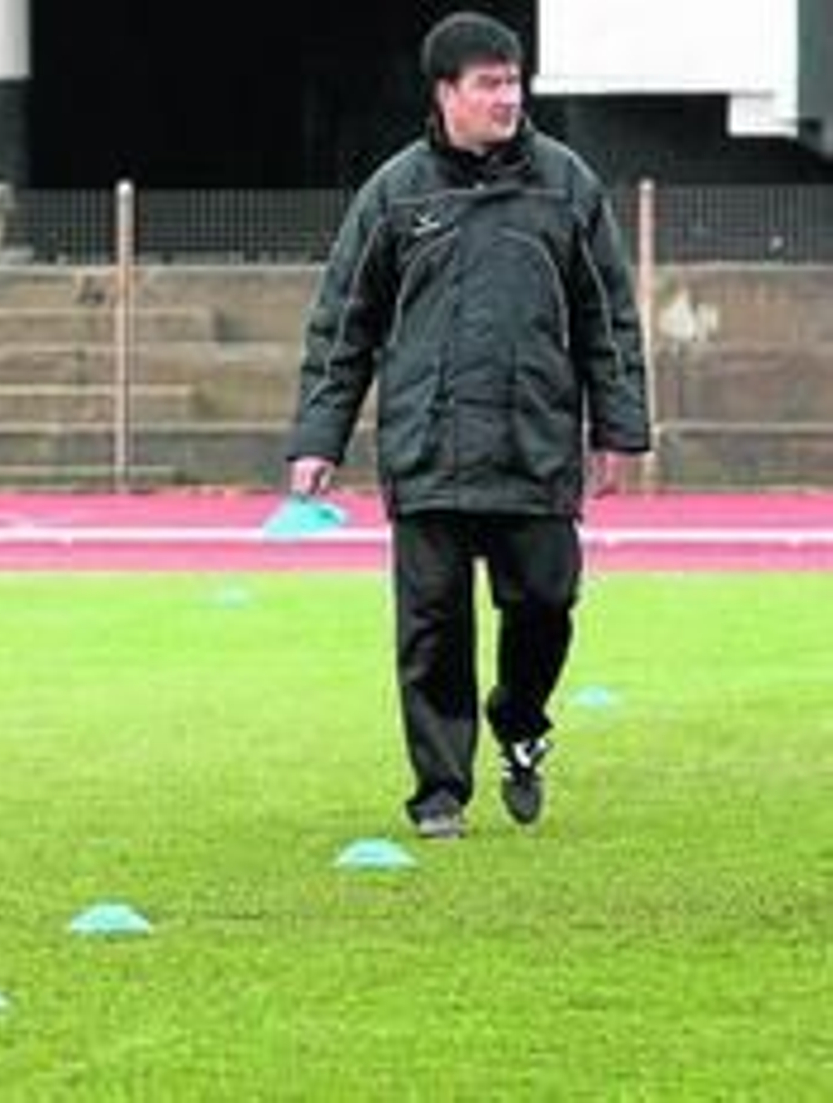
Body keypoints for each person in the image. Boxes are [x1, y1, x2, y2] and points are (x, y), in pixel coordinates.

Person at [285, 11, 651, 839]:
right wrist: (318, 438)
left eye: (514, 81)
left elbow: (609, 317)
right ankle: (440, 788)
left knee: (547, 602)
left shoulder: (566, 186)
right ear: (446, 93)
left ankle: (520, 718)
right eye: (488, 83)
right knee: (432, 626)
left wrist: (618, 426)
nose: (506, 98)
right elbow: (344, 324)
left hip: (536, 445)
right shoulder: (395, 194)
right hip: (428, 446)